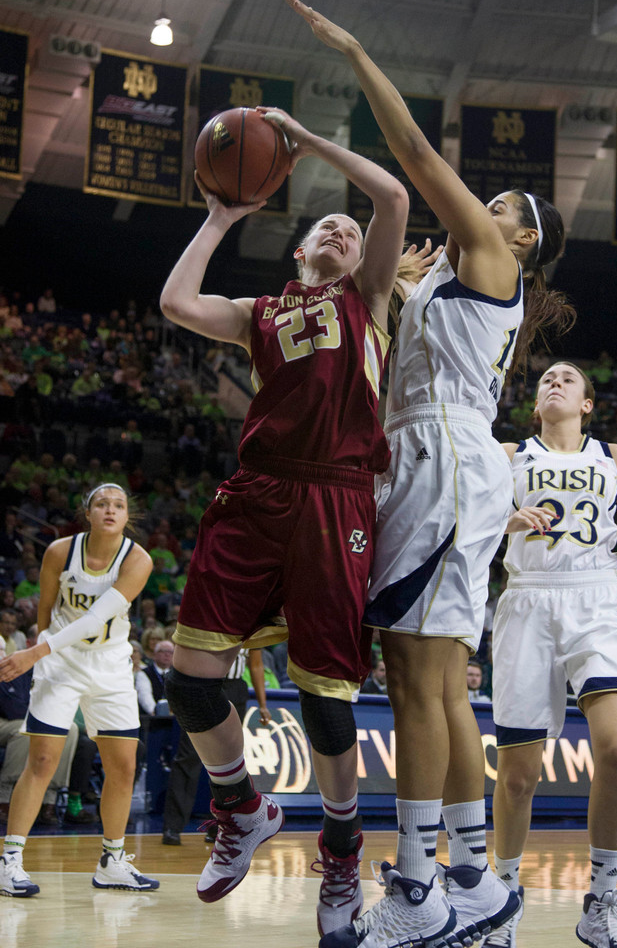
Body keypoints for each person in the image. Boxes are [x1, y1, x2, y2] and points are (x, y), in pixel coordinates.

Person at [281, 0, 575, 948]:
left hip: (441, 459)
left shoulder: (491, 255)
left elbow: (409, 159)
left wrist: (356, 52)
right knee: (440, 685)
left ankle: (416, 890)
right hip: (443, 459)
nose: (480, 209)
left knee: (415, 679)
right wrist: (402, 285)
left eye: (496, 207)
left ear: (522, 236)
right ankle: (468, 881)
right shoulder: (452, 274)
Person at [159, 106, 409, 930]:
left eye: (347, 227)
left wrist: (302, 141)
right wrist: (219, 215)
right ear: (299, 251)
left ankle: (341, 855)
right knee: (190, 682)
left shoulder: (369, 301)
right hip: (256, 494)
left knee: (327, 700)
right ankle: (242, 806)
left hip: (336, 497)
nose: (341, 229)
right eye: (323, 227)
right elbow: (175, 301)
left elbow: (392, 198)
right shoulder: (259, 312)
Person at [486, 361, 617, 948]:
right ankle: (502, 903)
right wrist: (501, 520)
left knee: (616, 750)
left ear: (587, 403)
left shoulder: (616, 458)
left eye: (568, 379)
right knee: (517, 779)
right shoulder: (507, 455)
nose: (554, 382)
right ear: (536, 404)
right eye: (545, 380)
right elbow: (465, 531)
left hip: (596, 603)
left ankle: (601, 902)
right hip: (527, 605)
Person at [0, 483, 160, 897]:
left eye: (119, 505)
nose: (110, 510)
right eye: (102, 504)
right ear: (87, 513)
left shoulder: (138, 559)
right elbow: (45, 612)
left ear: (128, 516)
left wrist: (34, 653)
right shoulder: (59, 552)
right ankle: (10, 860)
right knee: (42, 760)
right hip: (61, 664)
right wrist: (43, 652)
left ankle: (112, 861)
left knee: (123, 765)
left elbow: (96, 618)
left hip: (109, 665)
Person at [161, 648, 271, 846]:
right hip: (200, 684)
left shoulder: (252, 624)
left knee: (228, 761)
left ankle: (222, 826)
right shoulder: (203, 619)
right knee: (189, 757)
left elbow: (255, 664)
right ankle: (172, 826)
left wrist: (263, 704)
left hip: (235, 689)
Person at [0, 627, 79, 826]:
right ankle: (4, 798)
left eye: (2, 651)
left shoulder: (22, 669)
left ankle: (49, 799)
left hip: (21, 717)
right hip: (6, 721)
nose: (2, 656)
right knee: (23, 730)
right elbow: (12, 709)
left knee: (69, 729)